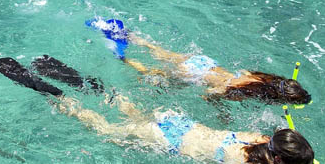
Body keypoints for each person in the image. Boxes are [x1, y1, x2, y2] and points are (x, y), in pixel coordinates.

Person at [0, 56, 318, 164]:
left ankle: (83, 82)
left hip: (177, 122)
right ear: (278, 160)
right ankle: (57, 96)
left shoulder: (261, 136)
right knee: (102, 130)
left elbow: (281, 135)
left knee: (126, 107)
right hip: (167, 141)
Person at [124, 35, 311, 106]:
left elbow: (243, 71)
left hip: (203, 62)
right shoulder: (246, 92)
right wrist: (221, 109)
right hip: (193, 74)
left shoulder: (261, 77)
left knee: (161, 52)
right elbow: (209, 93)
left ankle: (134, 38)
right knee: (153, 74)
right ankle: (122, 58)